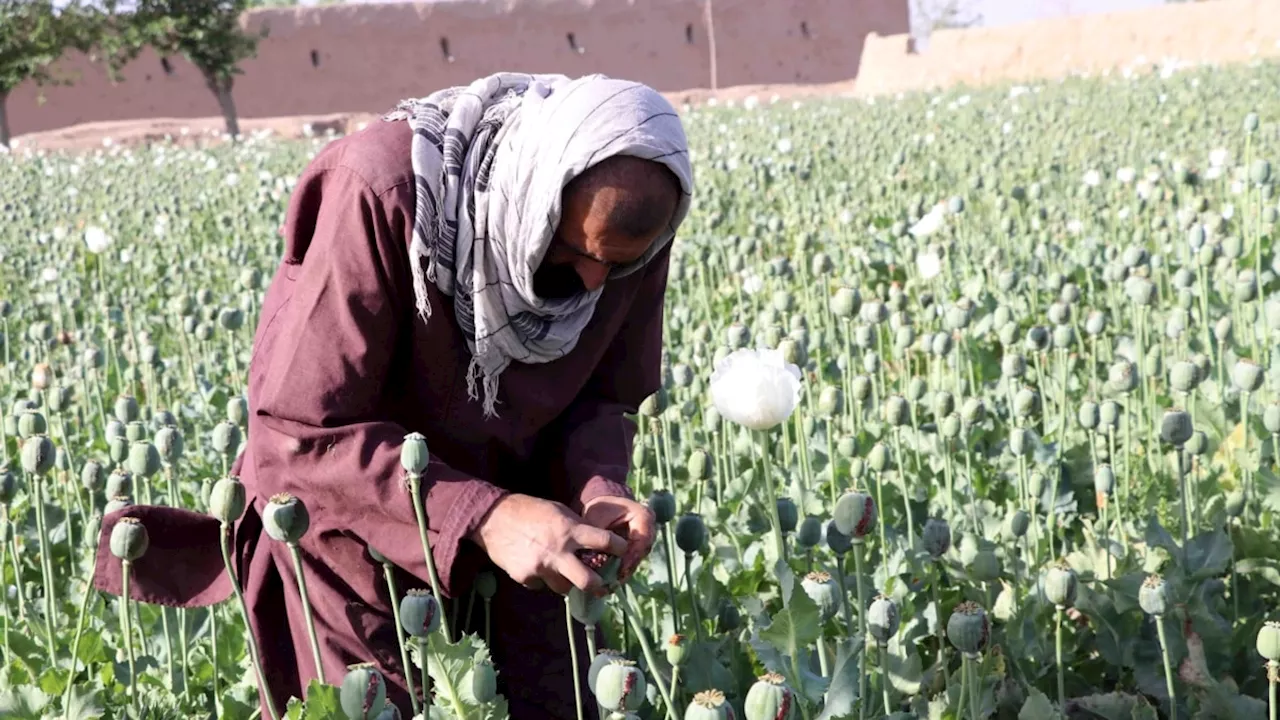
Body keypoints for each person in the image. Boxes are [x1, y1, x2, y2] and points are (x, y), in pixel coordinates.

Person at [91, 72, 694, 719]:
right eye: (573, 249)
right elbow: (297, 434)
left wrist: (598, 488)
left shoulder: (624, 238)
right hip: (355, 532)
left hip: (533, 534)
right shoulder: (382, 190)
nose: (595, 278)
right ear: (536, 194)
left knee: (559, 700)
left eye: (618, 265)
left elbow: (603, 394)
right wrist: (486, 515)